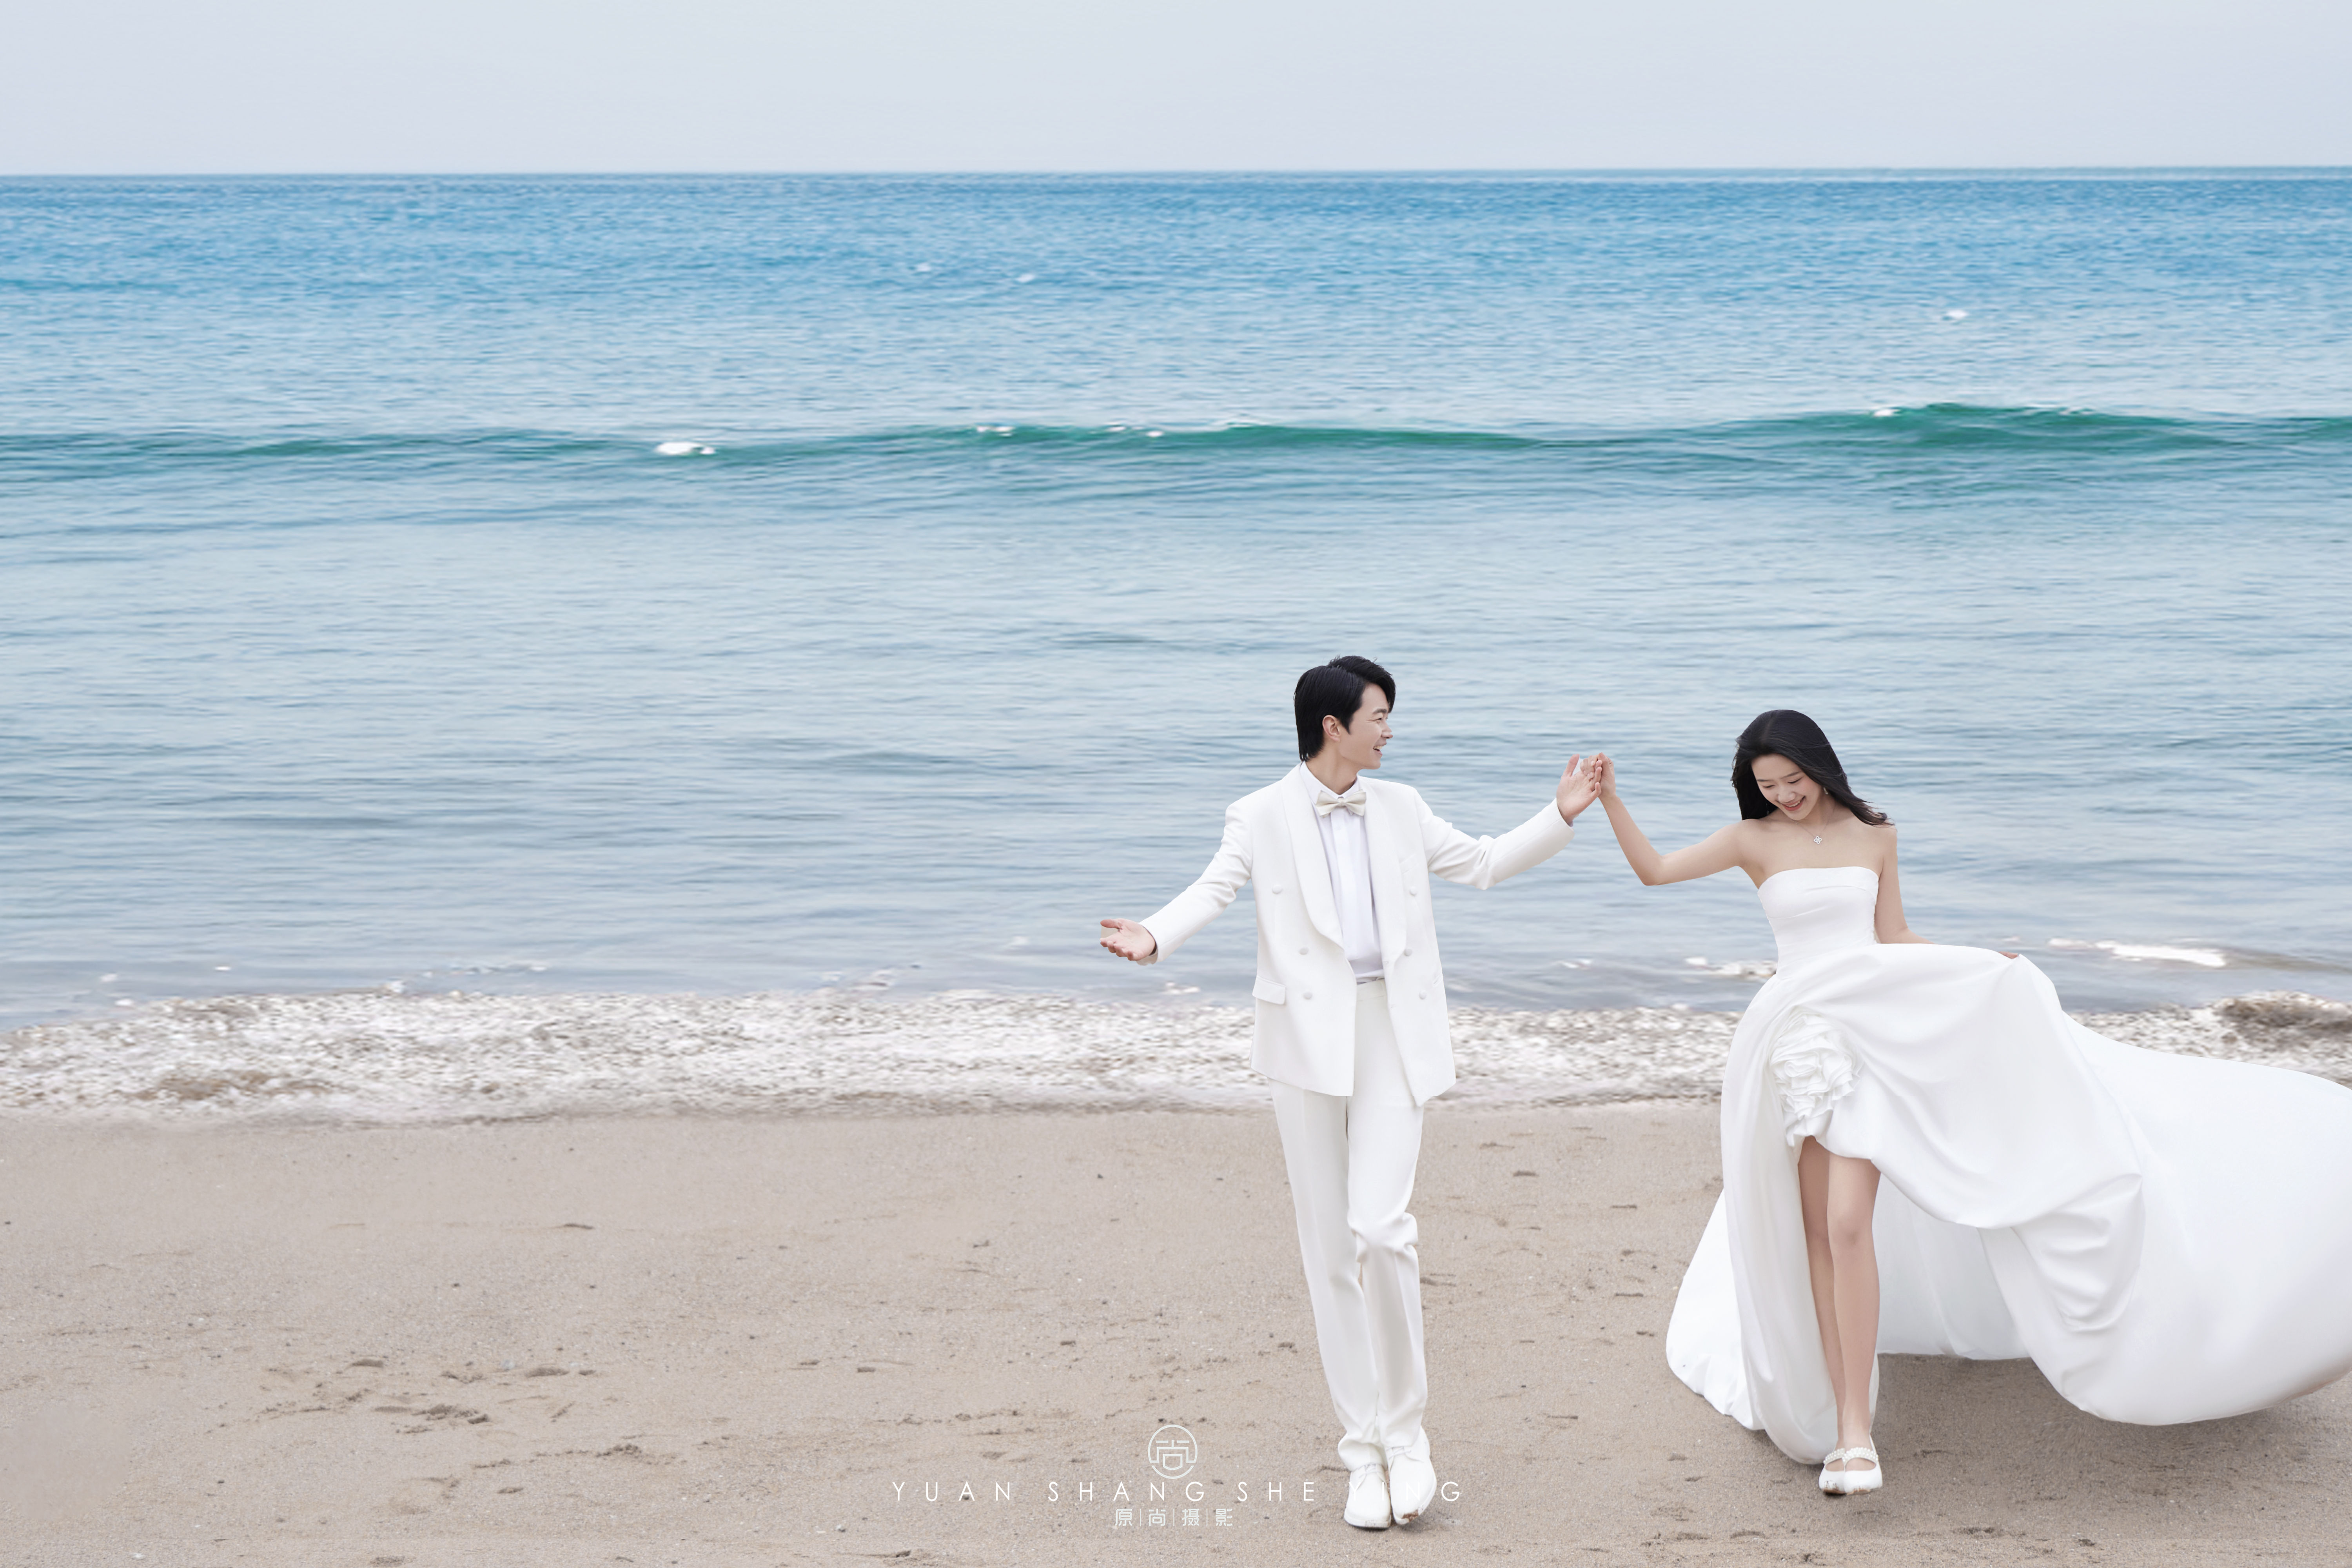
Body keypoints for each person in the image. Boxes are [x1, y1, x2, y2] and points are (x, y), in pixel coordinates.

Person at [1586, 710, 2352, 1495]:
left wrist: (1984, 962)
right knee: (1823, 1231)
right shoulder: (1752, 840)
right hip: (1807, 1040)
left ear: (1819, 765)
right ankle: (1850, 1427)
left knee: (1848, 1223)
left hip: (1877, 1031)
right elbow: (1655, 870)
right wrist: (1609, 800)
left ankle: (1855, 1435)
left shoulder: (1875, 835)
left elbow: (1893, 935)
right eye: (1767, 785)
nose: (1783, 794)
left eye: (1793, 779)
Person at [1100, 656, 1598, 1530]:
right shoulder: (1259, 813)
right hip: (1305, 1039)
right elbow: (1217, 886)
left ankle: (1408, 1436)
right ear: (1334, 725)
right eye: (1379, 716)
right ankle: (1362, 1451)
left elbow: (1483, 863)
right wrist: (1156, 934)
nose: (1390, 730)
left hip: (1392, 1030)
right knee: (1331, 1248)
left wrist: (1559, 813)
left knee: (1380, 1229)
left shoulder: (1400, 805)